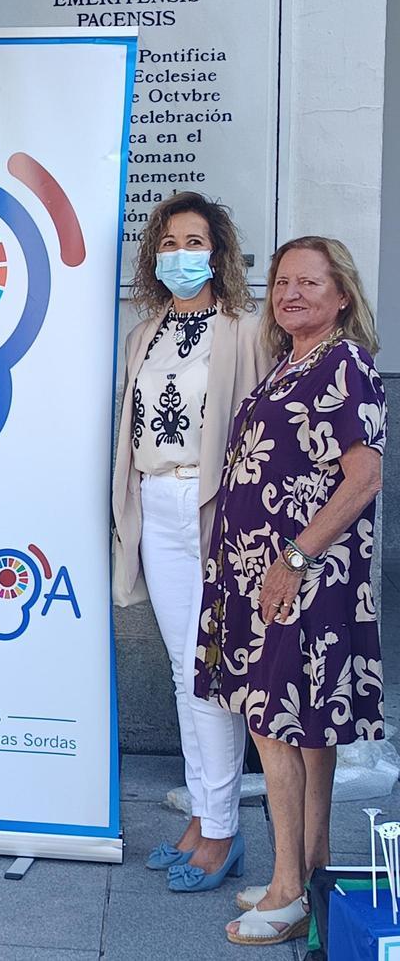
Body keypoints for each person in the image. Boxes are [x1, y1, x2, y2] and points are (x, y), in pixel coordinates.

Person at [193, 237, 386, 946]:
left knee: (275, 724)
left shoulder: (346, 365)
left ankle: (284, 893)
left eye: (309, 282)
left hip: (302, 577)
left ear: (342, 295)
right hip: (265, 572)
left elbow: (362, 478)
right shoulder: (289, 365)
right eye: (281, 284)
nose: (291, 294)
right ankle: (310, 870)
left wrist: (294, 559)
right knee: (299, 728)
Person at [113, 192, 270, 892]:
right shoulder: (141, 334)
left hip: (217, 508)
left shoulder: (247, 331)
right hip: (156, 502)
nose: (181, 254)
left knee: (212, 671)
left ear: (220, 251)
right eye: (169, 243)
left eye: (195, 241)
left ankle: (222, 830)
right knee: (186, 670)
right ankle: (203, 816)